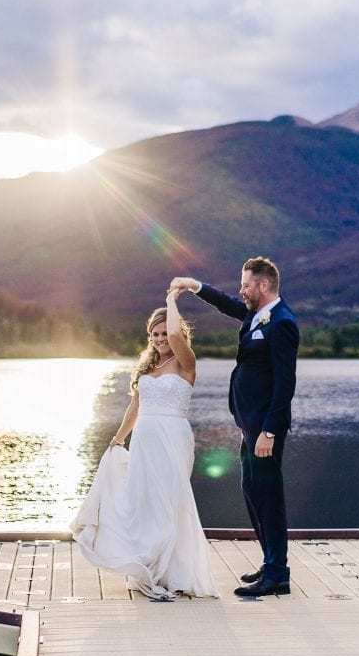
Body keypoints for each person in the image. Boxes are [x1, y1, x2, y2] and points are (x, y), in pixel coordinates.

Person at [70, 289, 218, 600]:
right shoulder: (147, 368)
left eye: (165, 333)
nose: (162, 338)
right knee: (143, 503)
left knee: (168, 502)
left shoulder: (186, 362)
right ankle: (149, 567)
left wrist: (171, 301)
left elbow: (177, 335)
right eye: (155, 333)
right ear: (149, 337)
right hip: (145, 441)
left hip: (172, 438)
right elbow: (135, 407)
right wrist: (119, 437)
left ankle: (173, 572)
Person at [170, 257, 299, 597]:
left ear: (264, 286)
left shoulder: (282, 322)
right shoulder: (256, 315)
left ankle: (278, 574)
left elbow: (285, 383)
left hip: (264, 429)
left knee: (269, 497)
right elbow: (227, 304)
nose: (240, 291)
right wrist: (193, 285)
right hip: (250, 424)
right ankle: (271, 561)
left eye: (245, 285)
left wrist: (269, 431)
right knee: (253, 492)